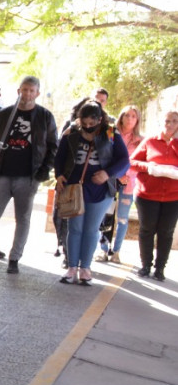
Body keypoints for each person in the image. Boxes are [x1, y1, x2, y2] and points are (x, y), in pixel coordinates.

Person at [0, 76, 58, 274]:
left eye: (31, 91)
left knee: (22, 218)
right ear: (18, 91)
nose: (27, 94)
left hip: (28, 175)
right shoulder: (4, 114)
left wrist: (43, 171)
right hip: (1, 174)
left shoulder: (44, 116)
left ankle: (15, 258)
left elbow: (53, 146)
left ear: (37, 93)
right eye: (24, 90)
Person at [53, 101, 128, 285]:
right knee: (75, 228)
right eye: (84, 123)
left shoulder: (110, 133)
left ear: (99, 119)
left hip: (100, 189)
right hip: (74, 187)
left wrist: (107, 173)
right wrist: (59, 175)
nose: (87, 127)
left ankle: (85, 268)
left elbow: (124, 160)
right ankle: (71, 267)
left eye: (91, 123)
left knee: (91, 229)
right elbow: (60, 157)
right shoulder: (71, 133)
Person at [129, 110, 178, 281]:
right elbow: (132, 162)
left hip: (173, 197)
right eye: (167, 121)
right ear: (161, 122)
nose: (170, 124)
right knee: (147, 230)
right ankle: (145, 265)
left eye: (174, 121)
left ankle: (160, 268)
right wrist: (149, 168)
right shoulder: (150, 141)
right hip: (147, 195)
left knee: (166, 232)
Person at [97, 105, 143, 264]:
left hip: (128, 184)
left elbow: (137, 163)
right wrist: (117, 174)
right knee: (106, 215)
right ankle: (103, 250)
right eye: (127, 115)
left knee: (123, 218)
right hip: (110, 180)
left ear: (137, 120)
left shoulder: (140, 141)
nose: (130, 119)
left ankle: (116, 252)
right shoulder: (110, 133)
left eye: (133, 116)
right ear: (121, 117)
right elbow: (105, 156)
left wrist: (126, 175)